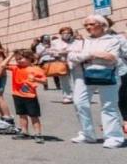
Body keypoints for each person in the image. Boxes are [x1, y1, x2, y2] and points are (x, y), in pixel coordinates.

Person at [67, 15, 124, 148]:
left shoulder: (113, 40)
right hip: (84, 75)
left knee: (109, 106)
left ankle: (114, 137)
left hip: (108, 74)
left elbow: (111, 57)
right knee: (79, 103)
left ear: (102, 25)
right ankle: (87, 134)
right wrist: (92, 54)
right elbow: (71, 56)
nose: (88, 27)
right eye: (86, 25)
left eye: (91, 24)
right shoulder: (81, 41)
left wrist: (86, 55)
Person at [3, 49, 46, 143]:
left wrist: (35, 79)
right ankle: (24, 132)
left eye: (20, 58)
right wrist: (11, 55)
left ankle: (38, 134)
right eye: (17, 59)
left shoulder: (36, 69)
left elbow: (44, 81)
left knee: (34, 116)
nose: (18, 61)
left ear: (30, 58)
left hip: (30, 96)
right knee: (22, 115)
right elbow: (3, 65)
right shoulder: (16, 67)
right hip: (17, 95)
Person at [46, 27, 76, 104]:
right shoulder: (55, 42)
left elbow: (79, 50)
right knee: (64, 81)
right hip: (61, 63)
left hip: (74, 62)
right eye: (64, 33)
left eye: (68, 33)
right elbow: (50, 51)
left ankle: (77, 96)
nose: (66, 34)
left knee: (75, 80)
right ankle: (67, 97)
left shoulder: (75, 41)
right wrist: (59, 53)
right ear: (61, 34)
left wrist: (69, 51)